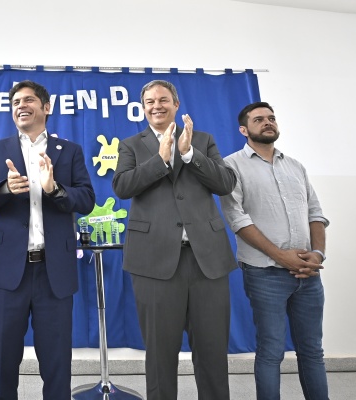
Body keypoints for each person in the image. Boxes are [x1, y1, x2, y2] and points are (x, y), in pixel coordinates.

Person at [112, 80, 237, 400]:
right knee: (160, 353)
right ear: (143, 108)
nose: (157, 105)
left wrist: (188, 153)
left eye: (163, 100)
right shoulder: (130, 145)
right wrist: (161, 159)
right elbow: (123, 187)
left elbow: (225, 183)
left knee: (212, 351)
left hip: (207, 260)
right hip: (153, 262)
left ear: (176, 105)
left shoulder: (203, 140)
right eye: (150, 101)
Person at [0, 80, 95, 400]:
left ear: (46, 107)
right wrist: (4, 188)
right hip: (7, 272)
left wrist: (55, 189)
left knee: (57, 363)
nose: (20, 106)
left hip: (54, 272)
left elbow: (86, 200)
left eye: (28, 100)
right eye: (15, 103)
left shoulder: (69, 151)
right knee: (2, 361)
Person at [220, 101, 329, 400]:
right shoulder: (231, 166)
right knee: (271, 352)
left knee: (313, 351)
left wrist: (317, 254)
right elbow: (237, 219)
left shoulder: (295, 166)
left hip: (308, 273)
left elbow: (316, 213)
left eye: (271, 118)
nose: (267, 122)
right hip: (265, 274)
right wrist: (282, 257)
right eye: (258, 120)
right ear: (244, 130)